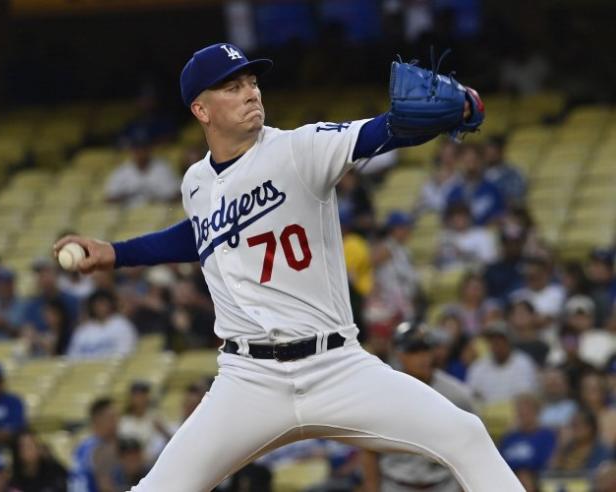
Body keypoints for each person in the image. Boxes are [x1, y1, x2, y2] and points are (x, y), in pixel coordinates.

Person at [54, 42, 522, 491]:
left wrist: (449, 113)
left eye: (251, 81)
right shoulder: (196, 182)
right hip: (248, 380)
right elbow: (199, 233)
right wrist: (117, 253)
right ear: (201, 110)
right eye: (232, 87)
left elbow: (383, 131)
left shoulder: (300, 149)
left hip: (336, 367)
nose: (251, 92)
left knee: (467, 435)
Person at [362, 322, 475, 492]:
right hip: (396, 485)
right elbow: (368, 451)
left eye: (426, 350)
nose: (423, 357)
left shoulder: (456, 395)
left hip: (443, 485)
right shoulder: (382, 394)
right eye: (414, 351)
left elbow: (472, 447)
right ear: (399, 354)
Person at [104, 127, 180, 208]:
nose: (140, 152)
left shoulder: (163, 170)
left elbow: (176, 196)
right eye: (137, 148)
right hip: (130, 217)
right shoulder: (121, 172)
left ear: (150, 149)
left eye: (144, 148)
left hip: (158, 215)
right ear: (131, 150)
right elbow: (109, 199)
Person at [466, 322, 539, 403]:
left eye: (501, 340)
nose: (496, 344)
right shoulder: (478, 366)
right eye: (493, 340)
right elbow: (472, 396)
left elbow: (525, 398)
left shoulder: (524, 364)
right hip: (484, 414)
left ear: (510, 342)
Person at [67, 289, 137, 360]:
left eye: (103, 303)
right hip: (86, 369)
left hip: (114, 368)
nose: (100, 307)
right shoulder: (82, 330)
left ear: (111, 304)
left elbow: (126, 353)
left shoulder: (122, 324)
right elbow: (73, 356)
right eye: (96, 304)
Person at [445, 143, 505, 226]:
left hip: (486, 234)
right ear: (460, 162)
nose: (471, 165)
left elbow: (500, 215)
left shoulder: (492, 189)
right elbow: (447, 221)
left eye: (474, 160)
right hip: (459, 236)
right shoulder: (453, 193)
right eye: (467, 160)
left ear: (481, 161)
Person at [69, 398, 121, 492]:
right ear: (98, 420)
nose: (117, 422)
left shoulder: (83, 446)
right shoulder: (101, 449)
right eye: (112, 418)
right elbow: (106, 488)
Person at [499, 393, 557, 473]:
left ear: (537, 411)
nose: (523, 413)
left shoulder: (547, 436)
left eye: (527, 410)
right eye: (520, 410)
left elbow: (546, 463)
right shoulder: (510, 438)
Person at [118, 381, 171, 465]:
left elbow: (169, 441)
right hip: (130, 464)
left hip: (154, 463)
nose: (140, 399)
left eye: (143, 395)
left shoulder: (156, 418)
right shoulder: (124, 421)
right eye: (137, 395)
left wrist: (163, 430)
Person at [549, 408, 612, 472]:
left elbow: (597, 474)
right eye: (571, 425)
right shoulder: (567, 448)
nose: (573, 429)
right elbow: (551, 472)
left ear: (590, 428)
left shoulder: (602, 450)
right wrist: (560, 448)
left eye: (576, 425)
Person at [483, 135, 527, 206]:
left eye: (493, 149)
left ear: (501, 151)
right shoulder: (479, 172)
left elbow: (516, 198)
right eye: (487, 149)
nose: (489, 153)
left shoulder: (513, 173)